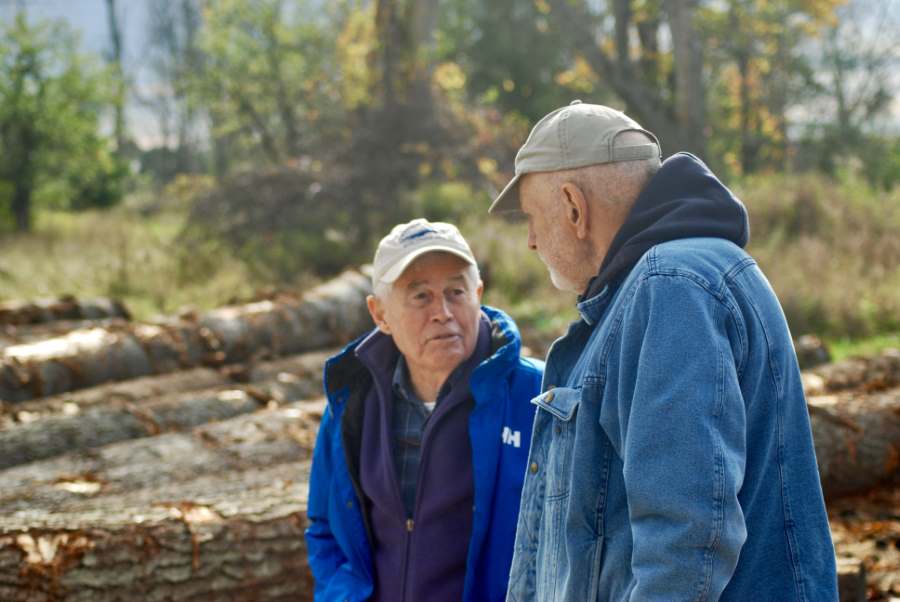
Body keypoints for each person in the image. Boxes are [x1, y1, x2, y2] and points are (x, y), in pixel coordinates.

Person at [490, 101, 838, 601]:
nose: (529, 241)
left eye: (530, 218)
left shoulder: (672, 287)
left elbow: (686, 538)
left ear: (572, 206)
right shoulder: (668, 282)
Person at [305, 218, 544, 602]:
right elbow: (324, 526)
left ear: (478, 293)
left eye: (456, 291)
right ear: (380, 314)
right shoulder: (351, 400)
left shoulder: (538, 397)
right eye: (420, 296)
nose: (443, 312)